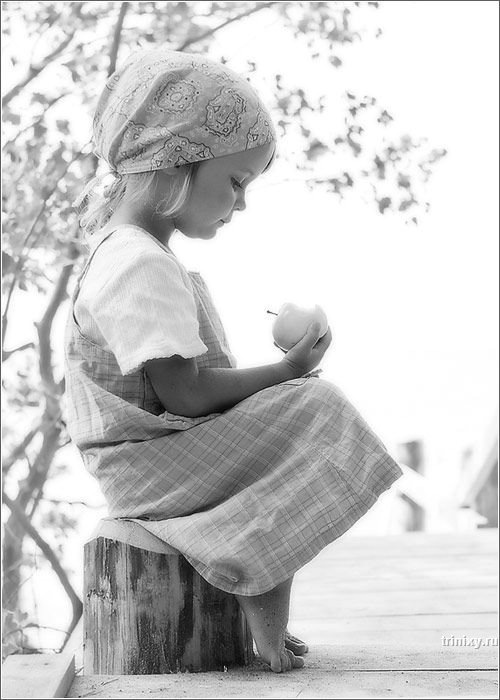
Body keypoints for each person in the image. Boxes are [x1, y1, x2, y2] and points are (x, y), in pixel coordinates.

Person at [65, 46, 403, 674]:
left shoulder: (125, 252)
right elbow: (185, 395)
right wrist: (286, 373)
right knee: (316, 408)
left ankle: (259, 599)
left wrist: (277, 384)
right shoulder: (139, 264)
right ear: (176, 165)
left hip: (148, 459)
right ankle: (259, 597)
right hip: (147, 466)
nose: (240, 204)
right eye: (236, 182)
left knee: (296, 413)